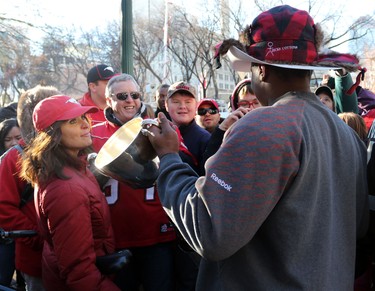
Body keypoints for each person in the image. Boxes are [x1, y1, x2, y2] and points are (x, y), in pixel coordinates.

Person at [145, 5, 369, 290]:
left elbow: (209, 228)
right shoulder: (346, 135)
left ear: (260, 69)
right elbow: (358, 227)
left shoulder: (265, 126)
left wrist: (168, 157)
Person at [19, 95, 119, 290]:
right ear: (52, 134)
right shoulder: (66, 189)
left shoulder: (75, 168)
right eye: (73, 121)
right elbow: (79, 272)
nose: (85, 125)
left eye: (84, 117)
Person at [91, 73, 176, 291]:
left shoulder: (159, 129)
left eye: (134, 95)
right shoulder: (94, 135)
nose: (130, 100)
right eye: (122, 96)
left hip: (156, 233)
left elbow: (178, 164)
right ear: (109, 100)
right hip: (116, 235)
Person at [0, 85, 60, 291]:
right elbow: (4, 208)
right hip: (36, 258)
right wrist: (37, 237)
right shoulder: (14, 157)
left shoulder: (72, 148)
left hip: (74, 255)